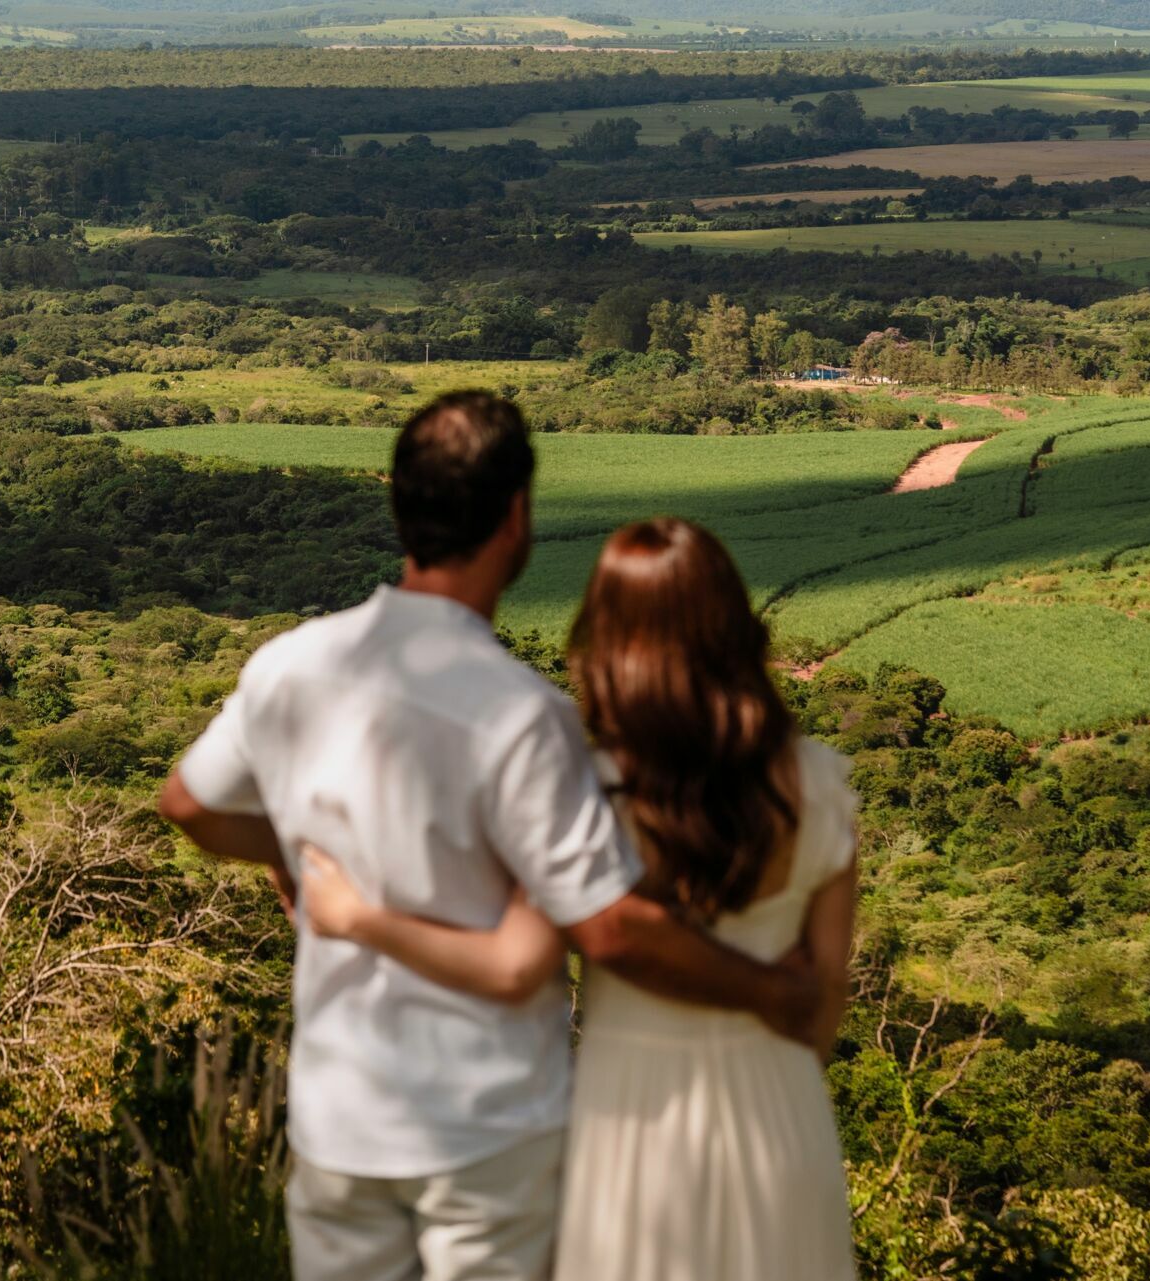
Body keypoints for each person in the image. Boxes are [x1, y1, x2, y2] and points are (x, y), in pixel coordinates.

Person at [160, 392, 819, 1281]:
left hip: (342, 1109)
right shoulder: (523, 715)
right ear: (515, 520)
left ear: (402, 506)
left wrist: (294, 852)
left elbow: (188, 804)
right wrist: (773, 987)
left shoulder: (290, 666)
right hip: (487, 1125)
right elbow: (605, 925)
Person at [299, 516, 861, 1281]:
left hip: (630, 1117)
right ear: (734, 625)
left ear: (608, 641)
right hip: (782, 1114)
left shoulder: (586, 794)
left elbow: (513, 959)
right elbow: (824, 1003)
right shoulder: (824, 785)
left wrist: (356, 915)